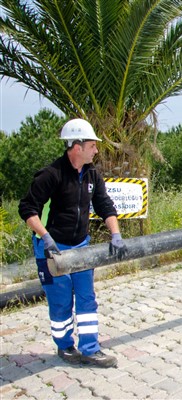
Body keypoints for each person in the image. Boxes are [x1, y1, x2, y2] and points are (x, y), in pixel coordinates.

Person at [18, 118, 127, 368]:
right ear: (77, 146)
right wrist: (46, 238)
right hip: (53, 251)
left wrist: (116, 235)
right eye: (92, 145)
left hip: (81, 247)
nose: (96, 150)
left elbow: (104, 205)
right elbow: (27, 209)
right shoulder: (51, 175)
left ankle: (90, 349)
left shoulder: (92, 174)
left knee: (87, 298)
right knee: (61, 301)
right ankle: (65, 347)